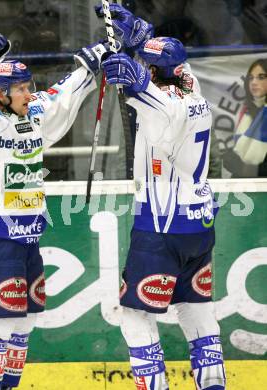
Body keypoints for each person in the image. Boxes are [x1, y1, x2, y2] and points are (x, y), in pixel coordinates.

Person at [0, 32, 110, 390]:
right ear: (0, 94)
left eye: (29, 85)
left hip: (29, 234)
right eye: (19, 88)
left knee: (23, 322)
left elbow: (60, 98)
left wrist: (91, 64)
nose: (28, 93)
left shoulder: (33, 113)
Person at [97, 4, 226, 390]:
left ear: (154, 72)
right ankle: (214, 385)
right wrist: (141, 39)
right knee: (197, 311)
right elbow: (166, 75)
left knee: (135, 316)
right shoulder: (193, 89)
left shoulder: (164, 107)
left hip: (161, 226)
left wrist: (130, 74)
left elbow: (147, 94)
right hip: (200, 224)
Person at [224, 58, 267, 177]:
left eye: (261, 77)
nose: (254, 82)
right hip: (244, 186)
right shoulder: (247, 111)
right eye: (251, 78)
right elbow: (233, 158)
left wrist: (247, 167)